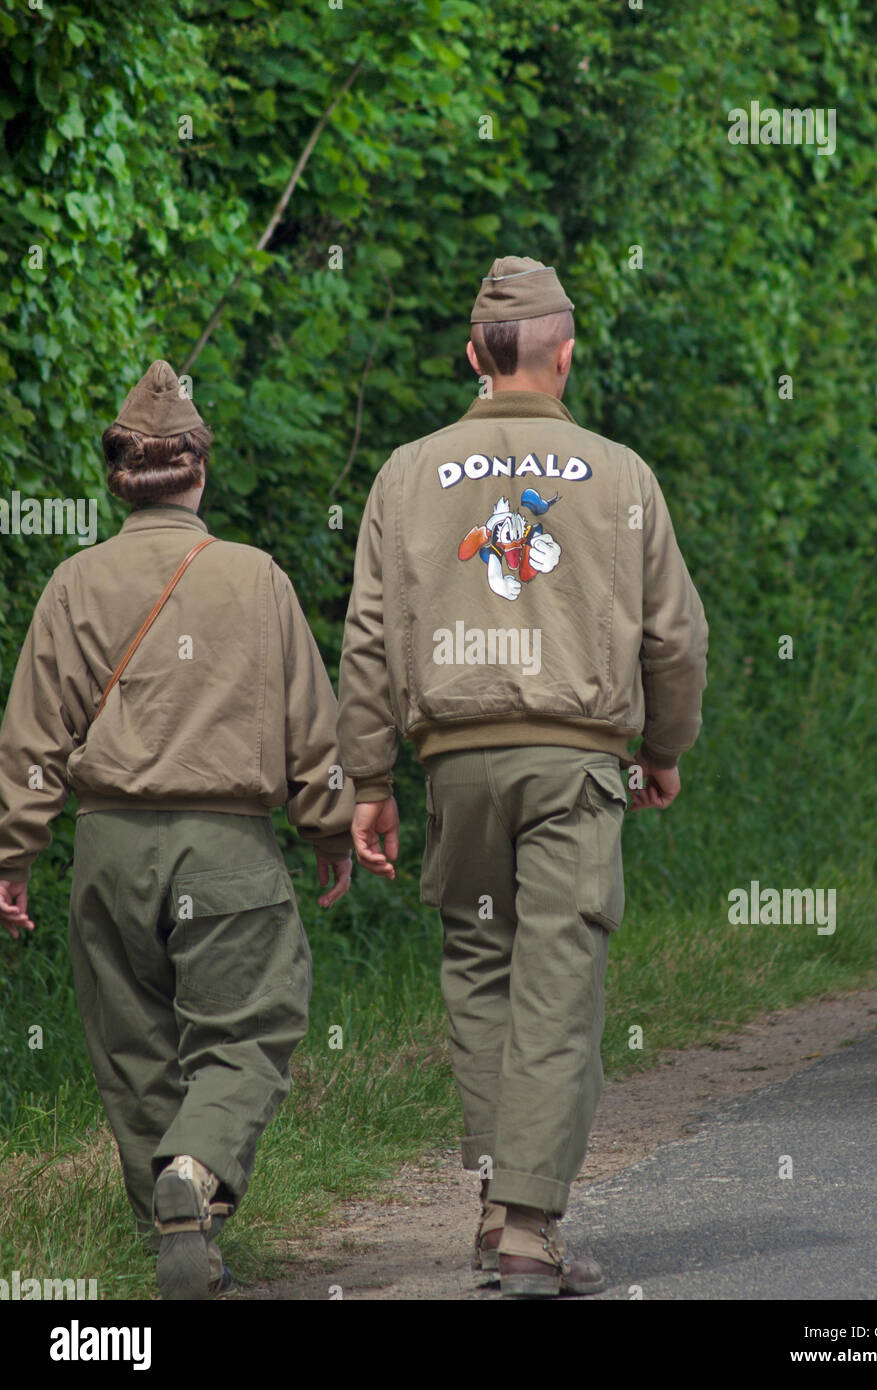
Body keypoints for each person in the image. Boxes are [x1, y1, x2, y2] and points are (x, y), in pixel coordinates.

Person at [337, 256, 708, 1297]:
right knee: (557, 986)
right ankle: (526, 1230)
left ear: (472, 357)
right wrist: (664, 748)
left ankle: (504, 1203)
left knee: (484, 979)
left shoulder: (406, 471)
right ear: (565, 354)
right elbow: (675, 638)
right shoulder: (621, 472)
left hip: (454, 765)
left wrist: (366, 777)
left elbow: (368, 637)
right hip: (576, 762)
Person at [0, 361, 355, 1300]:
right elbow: (310, 724)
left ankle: (174, 1221)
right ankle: (193, 1176)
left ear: (119, 476)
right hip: (226, 846)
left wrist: (12, 855)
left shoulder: (74, 583)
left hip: (110, 847)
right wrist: (328, 827)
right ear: (197, 469)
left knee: (134, 1045)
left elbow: (35, 736)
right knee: (249, 1026)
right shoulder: (256, 578)